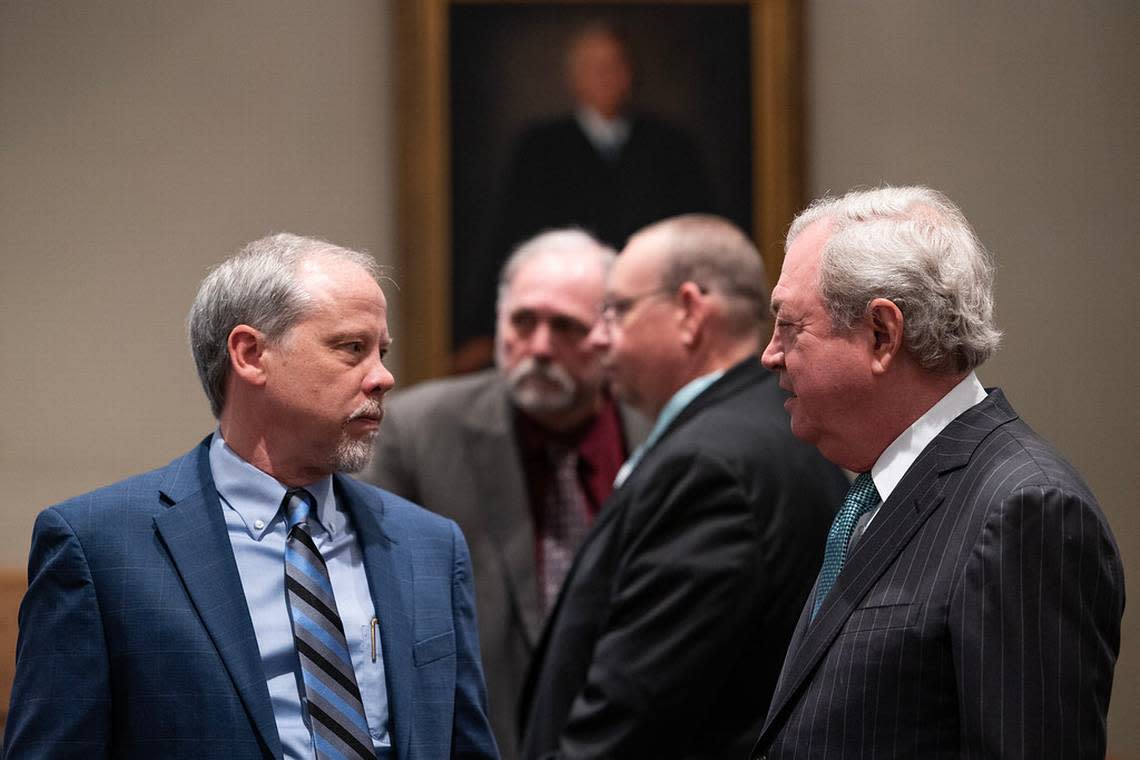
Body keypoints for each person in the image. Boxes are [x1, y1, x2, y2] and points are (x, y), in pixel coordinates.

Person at [3, 234, 498, 760]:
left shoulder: (428, 545)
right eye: (352, 348)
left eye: (382, 352)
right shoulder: (100, 549)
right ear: (251, 354)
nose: (383, 377)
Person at [750, 186, 1124, 759]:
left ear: (882, 334)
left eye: (789, 327)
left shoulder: (1025, 509)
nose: (769, 354)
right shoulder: (877, 487)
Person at [518, 215, 848, 760]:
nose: (599, 337)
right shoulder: (765, 425)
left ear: (690, 312)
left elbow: (636, 714)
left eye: (618, 311)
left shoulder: (709, 464)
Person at [362, 229, 649, 760]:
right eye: (523, 322)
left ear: (608, 330)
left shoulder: (658, 435)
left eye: (565, 326)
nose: (539, 347)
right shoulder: (417, 432)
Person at [454, 21, 714, 370]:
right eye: (592, 67)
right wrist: (482, 328)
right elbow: (507, 237)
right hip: (565, 313)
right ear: (572, 78)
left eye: (612, 66)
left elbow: (699, 236)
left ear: (629, 73)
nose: (603, 76)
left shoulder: (670, 147)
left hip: (652, 312)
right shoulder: (540, 149)